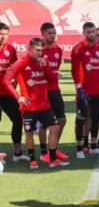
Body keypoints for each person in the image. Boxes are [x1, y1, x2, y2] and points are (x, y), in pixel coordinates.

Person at [3, 38, 69, 169]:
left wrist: (47, 67)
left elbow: (52, 79)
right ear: (30, 49)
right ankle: (32, 160)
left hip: (45, 104)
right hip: (29, 106)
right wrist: (18, 97)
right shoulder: (21, 63)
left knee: (55, 129)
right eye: (37, 50)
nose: (40, 53)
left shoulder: (44, 62)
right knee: (29, 133)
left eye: (42, 50)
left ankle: (51, 159)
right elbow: (6, 79)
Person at [71, 22, 99, 158]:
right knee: (81, 119)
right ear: (84, 33)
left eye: (93, 31)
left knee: (96, 117)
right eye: (88, 32)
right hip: (84, 90)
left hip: (98, 90)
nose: (92, 34)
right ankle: (79, 148)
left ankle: (94, 146)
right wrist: (79, 88)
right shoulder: (78, 48)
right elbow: (75, 70)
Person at [38, 22, 68, 163]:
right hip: (42, 91)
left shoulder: (58, 50)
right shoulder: (38, 50)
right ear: (43, 34)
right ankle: (44, 152)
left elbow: (54, 69)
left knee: (62, 120)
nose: (52, 35)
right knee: (45, 124)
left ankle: (54, 148)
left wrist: (55, 73)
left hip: (55, 90)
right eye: (49, 33)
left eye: (54, 32)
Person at [0, 23, 29, 162]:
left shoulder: (11, 49)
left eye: (5, 34)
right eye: (1, 33)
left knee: (17, 119)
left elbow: (17, 70)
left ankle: (17, 153)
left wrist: (15, 87)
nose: (3, 37)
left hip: (7, 93)